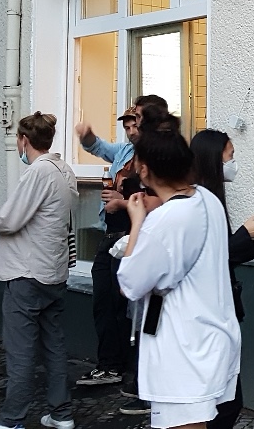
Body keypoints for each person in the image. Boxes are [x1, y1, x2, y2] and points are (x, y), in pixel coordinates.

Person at [117, 110, 241, 429]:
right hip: (211, 337)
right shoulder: (207, 200)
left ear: (144, 169)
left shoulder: (165, 222)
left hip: (182, 350)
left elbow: (129, 283)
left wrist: (137, 223)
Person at [0, 112, 78, 429]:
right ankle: (61, 413)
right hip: (54, 272)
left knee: (20, 351)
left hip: (26, 273)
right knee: (54, 347)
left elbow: (10, 220)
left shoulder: (37, 173)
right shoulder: (65, 170)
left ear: (24, 140)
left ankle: (12, 419)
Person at [74, 95, 167, 397]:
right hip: (111, 233)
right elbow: (98, 147)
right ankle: (111, 365)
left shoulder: (159, 155)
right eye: (126, 126)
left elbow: (161, 200)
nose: (130, 130)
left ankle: (128, 371)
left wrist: (122, 202)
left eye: (135, 122)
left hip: (134, 235)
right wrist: (87, 136)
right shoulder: (125, 151)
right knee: (104, 301)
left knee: (124, 305)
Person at [189, 129, 254, 429]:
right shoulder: (199, 201)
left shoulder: (210, 198)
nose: (234, 163)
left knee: (227, 399)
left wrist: (248, 237)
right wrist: (243, 236)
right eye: (230, 156)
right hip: (210, 314)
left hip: (220, 309)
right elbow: (210, 256)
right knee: (224, 402)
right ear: (214, 159)